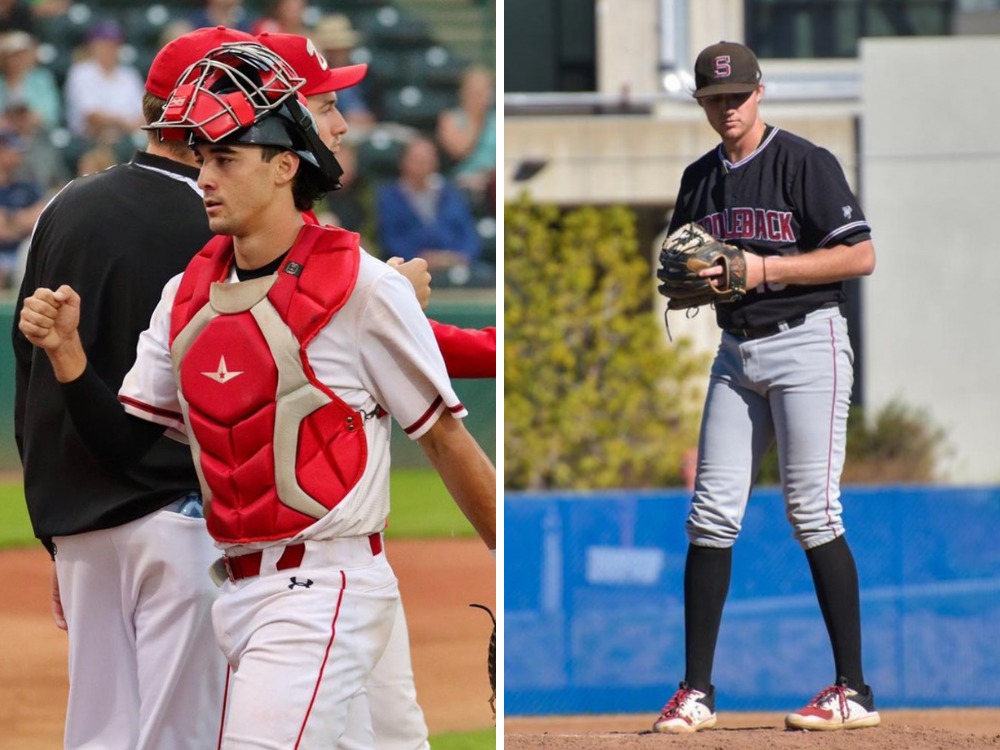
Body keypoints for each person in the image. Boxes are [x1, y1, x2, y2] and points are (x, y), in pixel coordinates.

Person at [19, 41, 496, 749]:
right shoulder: (188, 291)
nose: (204, 176)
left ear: (281, 165)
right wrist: (68, 358)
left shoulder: (358, 283)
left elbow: (446, 437)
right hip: (234, 585)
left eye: (224, 158)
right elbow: (123, 438)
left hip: (325, 581)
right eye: (202, 157)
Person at [12, 26, 258, 750]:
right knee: (182, 736)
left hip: (83, 526)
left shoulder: (64, 207)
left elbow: (32, 379)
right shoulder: (232, 222)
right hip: (184, 517)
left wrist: (58, 535)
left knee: (99, 735)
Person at [258, 31, 496, 749]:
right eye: (326, 106)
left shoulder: (312, 235)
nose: (342, 123)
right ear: (284, 121)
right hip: (279, 563)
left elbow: (377, 339)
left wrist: (401, 304)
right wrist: (393, 296)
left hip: (348, 559)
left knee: (393, 732)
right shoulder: (253, 238)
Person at [651, 41, 879, 734]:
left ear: (760, 92)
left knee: (813, 511)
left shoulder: (804, 162)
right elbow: (683, 264)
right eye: (715, 99)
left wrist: (762, 270)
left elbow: (860, 254)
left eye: (738, 96)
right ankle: (696, 692)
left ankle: (854, 691)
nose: (728, 109)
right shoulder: (699, 179)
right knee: (711, 515)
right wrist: (697, 279)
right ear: (702, 104)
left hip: (809, 343)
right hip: (735, 353)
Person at [376, 135, 482, 283]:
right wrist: (422, 259)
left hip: (455, 263)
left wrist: (459, 257)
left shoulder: (451, 193)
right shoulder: (390, 197)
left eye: (428, 159)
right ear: (403, 162)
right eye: (417, 159)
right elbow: (391, 238)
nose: (423, 164)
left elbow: (468, 232)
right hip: (410, 269)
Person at [63, 19, 145, 143]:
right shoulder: (81, 72)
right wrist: (121, 122)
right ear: (92, 46)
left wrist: (130, 126)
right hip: (90, 138)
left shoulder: (129, 74)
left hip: (128, 136)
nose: (109, 49)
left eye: (114, 44)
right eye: (104, 44)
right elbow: (91, 116)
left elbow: (144, 113)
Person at [435, 64, 495, 202]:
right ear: (462, 92)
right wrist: (475, 119)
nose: (479, 95)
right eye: (474, 90)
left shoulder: (498, 120)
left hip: (492, 182)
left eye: (483, 90)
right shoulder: (450, 119)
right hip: (462, 183)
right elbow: (460, 151)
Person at [311, 13, 374, 133]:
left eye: (342, 48)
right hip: (336, 127)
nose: (339, 54)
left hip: (369, 125)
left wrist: (371, 117)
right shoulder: (318, 79)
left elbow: (377, 103)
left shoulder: (365, 73)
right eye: (333, 50)